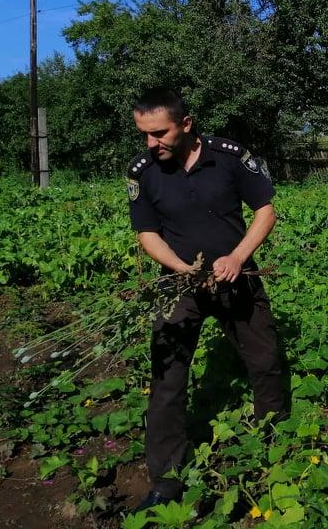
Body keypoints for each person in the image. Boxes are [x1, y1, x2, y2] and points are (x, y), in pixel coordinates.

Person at [126, 87, 287, 511]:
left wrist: (237, 256)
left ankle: (273, 440)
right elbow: (147, 234)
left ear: (186, 124)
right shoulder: (144, 171)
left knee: (265, 359)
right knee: (167, 380)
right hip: (179, 287)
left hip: (236, 277)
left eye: (158, 133)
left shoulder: (230, 156)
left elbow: (265, 210)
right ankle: (166, 481)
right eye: (144, 133)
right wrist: (181, 269)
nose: (150, 143)